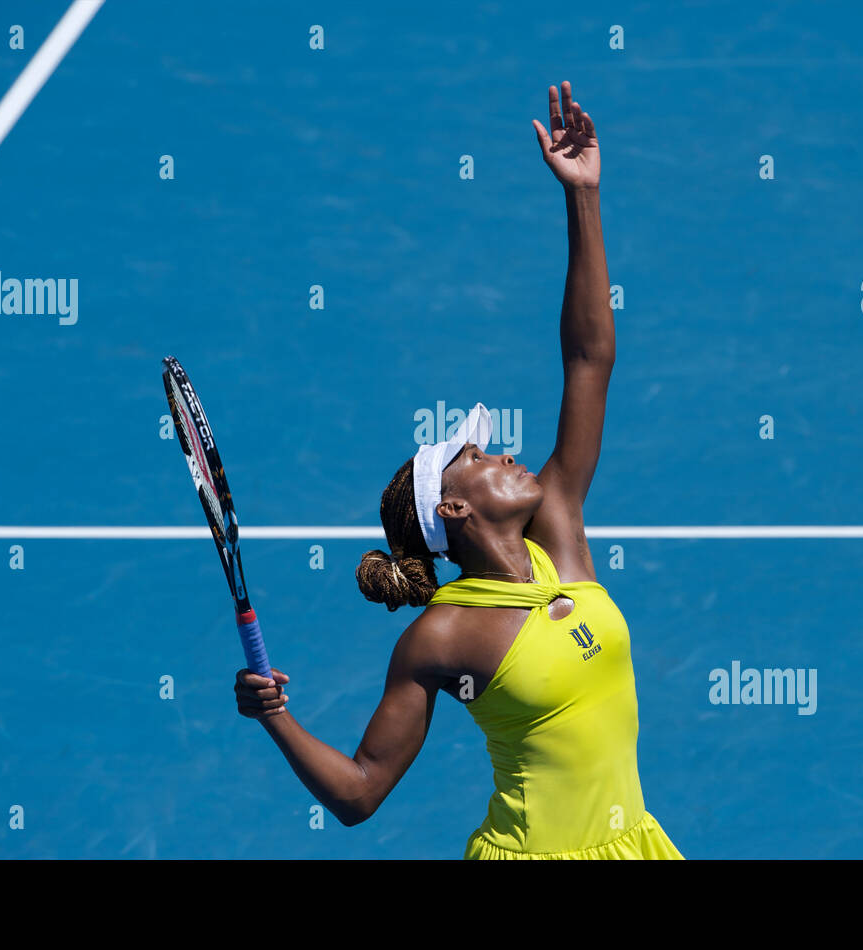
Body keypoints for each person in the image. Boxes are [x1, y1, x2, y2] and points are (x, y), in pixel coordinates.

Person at [236, 80, 683, 859]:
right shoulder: (439, 637)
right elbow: (360, 794)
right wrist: (274, 715)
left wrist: (583, 197)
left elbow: (588, 358)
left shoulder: (561, 534)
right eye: (477, 458)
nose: (506, 454)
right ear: (454, 511)